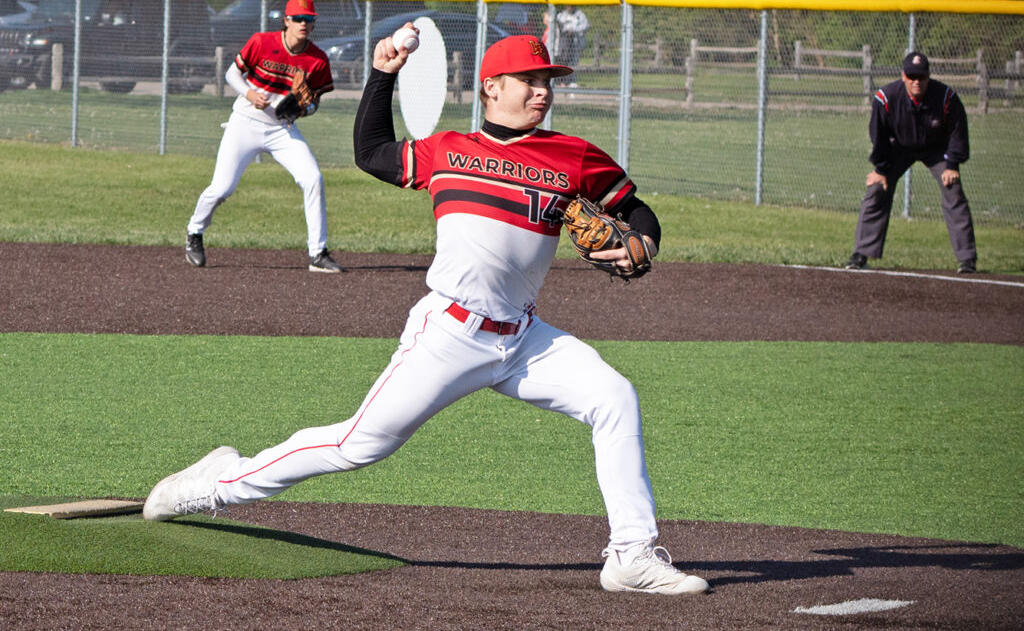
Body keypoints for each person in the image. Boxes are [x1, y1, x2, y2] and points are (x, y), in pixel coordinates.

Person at [142, 32, 709, 596]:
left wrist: (645, 241)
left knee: (614, 397)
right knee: (355, 447)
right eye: (530, 81)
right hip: (449, 335)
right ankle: (217, 483)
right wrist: (382, 74)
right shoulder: (447, 150)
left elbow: (634, 208)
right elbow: (370, 154)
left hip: (525, 339)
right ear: (492, 87)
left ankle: (631, 554)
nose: (543, 92)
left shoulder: (573, 156)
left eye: (548, 82)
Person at [184, 0, 344, 273]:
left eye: (309, 19)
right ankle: (194, 232)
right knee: (222, 189)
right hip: (245, 122)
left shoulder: (317, 60)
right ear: (286, 21)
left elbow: (314, 102)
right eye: (298, 19)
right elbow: (232, 73)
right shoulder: (262, 42)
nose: (304, 24)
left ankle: (318, 253)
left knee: (313, 179)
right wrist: (248, 92)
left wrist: (305, 109)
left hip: (283, 129)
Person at [846, 51, 977, 274]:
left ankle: (967, 260)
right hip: (899, 148)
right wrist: (881, 168)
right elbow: (878, 135)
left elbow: (957, 130)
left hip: (937, 149)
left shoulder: (946, 97)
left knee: (952, 188)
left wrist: (952, 164)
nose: (916, 82)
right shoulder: (886, 98)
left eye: (921, 77)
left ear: (928, 77)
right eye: (912, 76)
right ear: (903, 76)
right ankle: (861, 254)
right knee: (877, 188)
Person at [554, 5, 589, 87]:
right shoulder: (561, 15)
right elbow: (557, 27)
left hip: (575, 43)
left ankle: (572, 82)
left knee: (573, 62)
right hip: (563, 44)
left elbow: (586, 26)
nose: (569, 8)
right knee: (562, 61)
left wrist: (573, 30)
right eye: (567, 6)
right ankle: (561, 81)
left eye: (571, 6)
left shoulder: (580, 15)